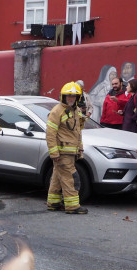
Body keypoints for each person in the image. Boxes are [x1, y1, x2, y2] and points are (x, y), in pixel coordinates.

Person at [46, 82, 88, 214]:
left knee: (58, 177)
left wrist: (80, 147)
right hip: (62, 153)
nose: (71, 98)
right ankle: (72, 206)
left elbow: (77, 131)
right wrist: (54, 152)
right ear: (63, 96)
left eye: (74, 96)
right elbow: (50, 134)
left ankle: (53, 203)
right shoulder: (57, 111)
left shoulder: (75, 110)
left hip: (70, 152)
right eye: (68, 96)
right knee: (71, 177)